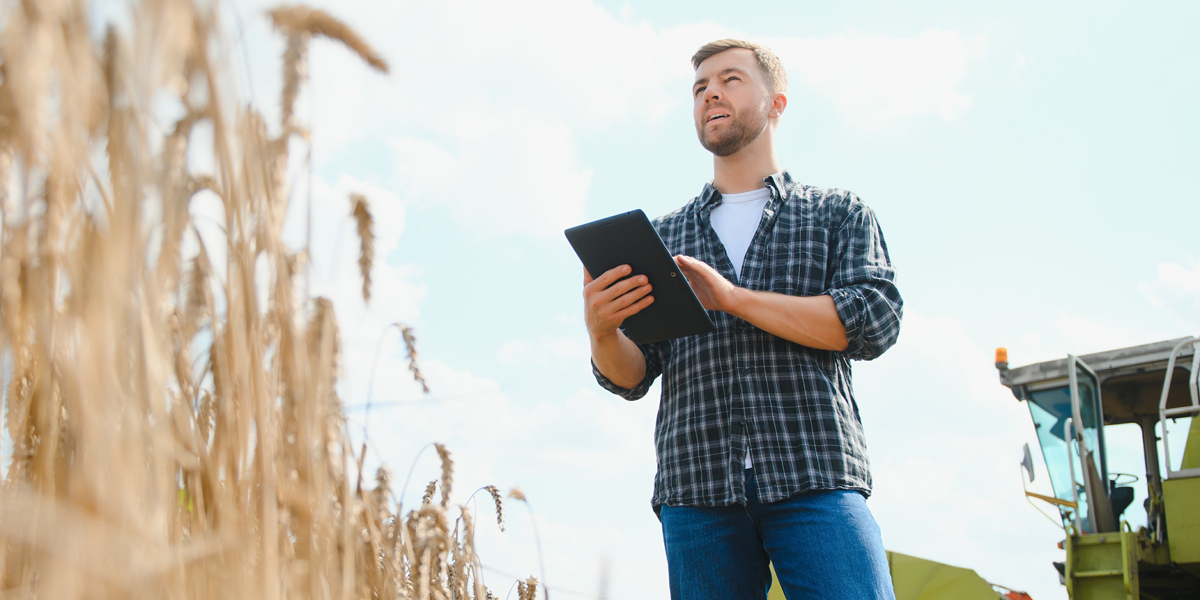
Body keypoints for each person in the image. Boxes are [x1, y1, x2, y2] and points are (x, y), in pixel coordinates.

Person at [582, 39, 903, 600]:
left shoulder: (836, 213)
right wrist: (602, 330)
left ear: (777, 103)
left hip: (815, 474)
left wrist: (733, 298)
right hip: (697, 489)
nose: (711, 94)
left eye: (730, 80)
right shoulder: (660, 237)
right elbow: (630, 376)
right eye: (700, 88)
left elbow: (873, 321)